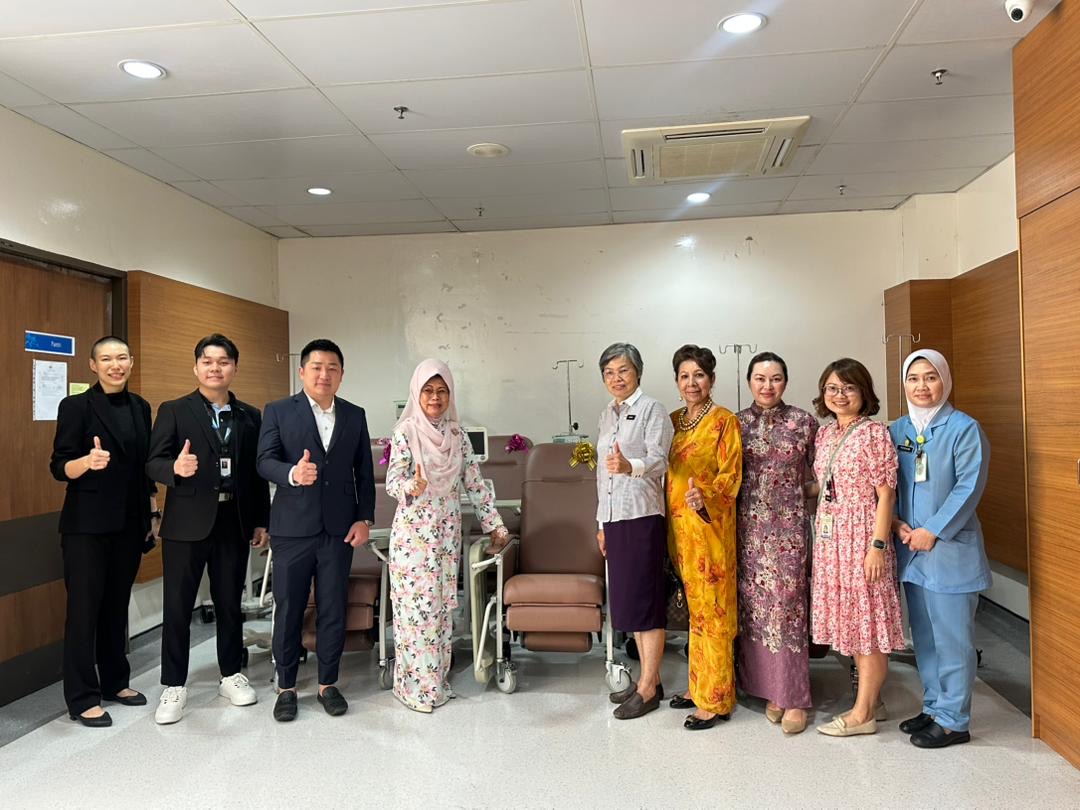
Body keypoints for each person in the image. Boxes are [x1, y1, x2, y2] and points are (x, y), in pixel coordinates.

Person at [146, 334, 271, 724]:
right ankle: (173, 685)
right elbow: (153, 462)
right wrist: (174, 469)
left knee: (230, 602)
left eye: (223, 361)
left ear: (234, 367)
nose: (215, 368)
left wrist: (262, 520)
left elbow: (255, 474)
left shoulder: (250, 416)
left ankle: (230, 675)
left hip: (233, 521)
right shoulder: (174, 410)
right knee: (178, 605)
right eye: (208, 361)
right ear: (196, 367)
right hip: (185, 523)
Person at [256, 338, 376, 722]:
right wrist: (292, 473)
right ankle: (286, 687)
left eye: (332, 368)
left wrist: (365, 519)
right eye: (317, 367)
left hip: (339, 530)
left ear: (341, 374)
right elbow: (264, 461)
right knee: (289, 608)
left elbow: (364, 472)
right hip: (292, 528)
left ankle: (328, 683)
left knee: (332, 607)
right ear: (302, 371)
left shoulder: (354, 414)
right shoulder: (278, 411)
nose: (324, 374)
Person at [384, 359, 509, 712]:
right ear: (417, 393)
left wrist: (495, 526)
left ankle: (435, 684)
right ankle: (414, 690)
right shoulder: (406, 432)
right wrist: (411, 486)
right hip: (413, 537)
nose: (435, 398)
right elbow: (393, 481)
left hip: (446, 537)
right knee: (416, 614)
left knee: (440, 612)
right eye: (428, 390)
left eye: (442, 391)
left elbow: (475, 485)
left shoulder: (457, 436)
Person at [49, 336, 157, 727]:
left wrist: (153, 513)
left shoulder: (140, 407)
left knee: (115, 605)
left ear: (131, 362)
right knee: (84, 611)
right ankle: (81, 697)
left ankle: (115, 682)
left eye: (122, 357)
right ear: (93, 365)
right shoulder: (76, 406)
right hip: (87, 527)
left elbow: (144, 468)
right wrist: (86, 462)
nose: (116, 365)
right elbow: (58, 466)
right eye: (107, 359)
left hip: (129, 523)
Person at [890, 350, 991, 749]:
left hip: (948, 551)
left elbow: (969, 487)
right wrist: (896, 521)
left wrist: (933, 530)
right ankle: (934, 706)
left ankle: (953, 720)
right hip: (910, 550)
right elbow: (888, 484)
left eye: (930, 377)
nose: (922, 386)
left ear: (945, 381)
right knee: (925, 636)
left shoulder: (964, 429)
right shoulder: (898, 430)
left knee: (953, 639)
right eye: (914, 378)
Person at [809, 358, 904, 737]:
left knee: (868, 626)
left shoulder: (874, 434)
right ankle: (873, 700)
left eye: (848, 388)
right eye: (832, 388)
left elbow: (886, 495)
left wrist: (877, 546)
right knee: (849, 623)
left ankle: (863, 714)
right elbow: (825, 485)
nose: (840, 395)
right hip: (832, 541)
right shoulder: (825, 435)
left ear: (863, 392)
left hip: (862, 538)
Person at [735, 351, 818, 734]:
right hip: (747, 533)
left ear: (785, 381)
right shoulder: (736, 425)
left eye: (776, 378)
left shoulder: (803, 422)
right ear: (749, 381)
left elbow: (822, 475)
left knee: (787, 608)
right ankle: (767, 690)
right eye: (760, 378)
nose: (768, 386)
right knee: (755, 609)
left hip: (789, 533)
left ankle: (793, 696)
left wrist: (798, 495)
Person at [596, 342, 674, 720]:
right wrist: (601, 523)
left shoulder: (652, 409)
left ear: (638, 372)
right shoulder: (606, 414)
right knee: (630, 603)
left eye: (623, 370)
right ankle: (650, 679)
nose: (617, 378)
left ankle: (648, 689)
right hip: (615, 519)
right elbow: (602, 474)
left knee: (646, 602)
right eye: (609, 373)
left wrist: (631, 467)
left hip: (643, 516)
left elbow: (660, 460)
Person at [666, 345, 742, 730]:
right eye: (684, 376)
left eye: (699, 375)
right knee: (695, 613)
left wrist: (705, 496)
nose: (691, 383)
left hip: (710, 529)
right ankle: (699, 686)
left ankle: (716, 699)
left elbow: (731, 476)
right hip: (679, 533)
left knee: (714, 612)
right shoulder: (673, 421)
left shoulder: (725, 422)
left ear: (711, 379)